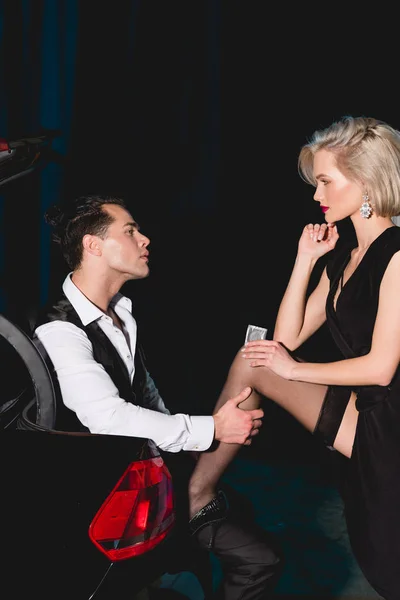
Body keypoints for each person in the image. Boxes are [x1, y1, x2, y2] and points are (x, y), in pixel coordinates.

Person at [33, 194, 282, 599]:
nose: (145, 239)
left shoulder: (122, 311)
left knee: (247, 529)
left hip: (151, 475)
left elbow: (145, 393)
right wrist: (212, 428)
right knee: (260, 559)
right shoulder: (59, 330)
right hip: (106, 505)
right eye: (130, 231)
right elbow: (108, 418)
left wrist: (186, 446)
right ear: (93, 246)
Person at [196, 115, 400, 600]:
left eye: (326, 181)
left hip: (392, 423)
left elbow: (380, 366)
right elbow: (281, 344)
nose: (317, 195)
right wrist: (305, 260)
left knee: (389, 567)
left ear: (368, 182)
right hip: (369, 415)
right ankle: (193, 497)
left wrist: (292, 368)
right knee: (255, 359)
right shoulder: (346, 254)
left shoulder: (397, 254)